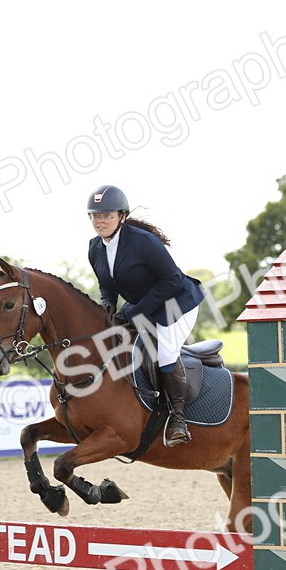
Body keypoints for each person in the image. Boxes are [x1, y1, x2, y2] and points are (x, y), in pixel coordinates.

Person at [85, 184, 204, 447]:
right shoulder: (95, 248)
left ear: (121, 216)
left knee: (165, 352)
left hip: (178, 303)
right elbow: (107, 283)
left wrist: (134, 310)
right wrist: (107, 305)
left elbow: (172, 280)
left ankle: (177, 420)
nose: (100, 221)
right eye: (95, 215)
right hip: (147, 306)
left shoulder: (143, 242)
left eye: (106, 215)